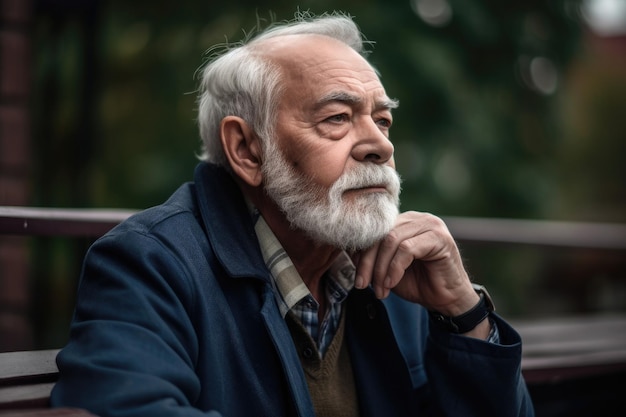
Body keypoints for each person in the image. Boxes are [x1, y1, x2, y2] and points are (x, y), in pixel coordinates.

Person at [51, 11, 535, 417]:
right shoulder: (150, 264)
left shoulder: (399, 277)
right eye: (337, 119)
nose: (381, 145)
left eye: (382, 119)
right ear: (246, 150)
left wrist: (463, 313)